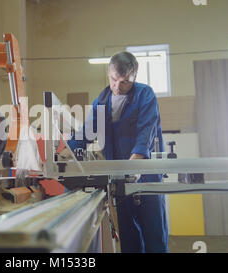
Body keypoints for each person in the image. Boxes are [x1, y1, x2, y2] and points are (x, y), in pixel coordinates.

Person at [67, 51, 168, 253]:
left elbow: (146, 130)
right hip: (119, 179)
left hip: (146, 174)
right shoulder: (101, 102)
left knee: (154, 232)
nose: (117, 87)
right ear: (108, 73)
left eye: (124, 82)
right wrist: (64, 155)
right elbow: (85, 134)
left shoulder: (145, 95)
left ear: (135, 77)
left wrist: (136, 162)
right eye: (114, 79)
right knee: (129, 235)